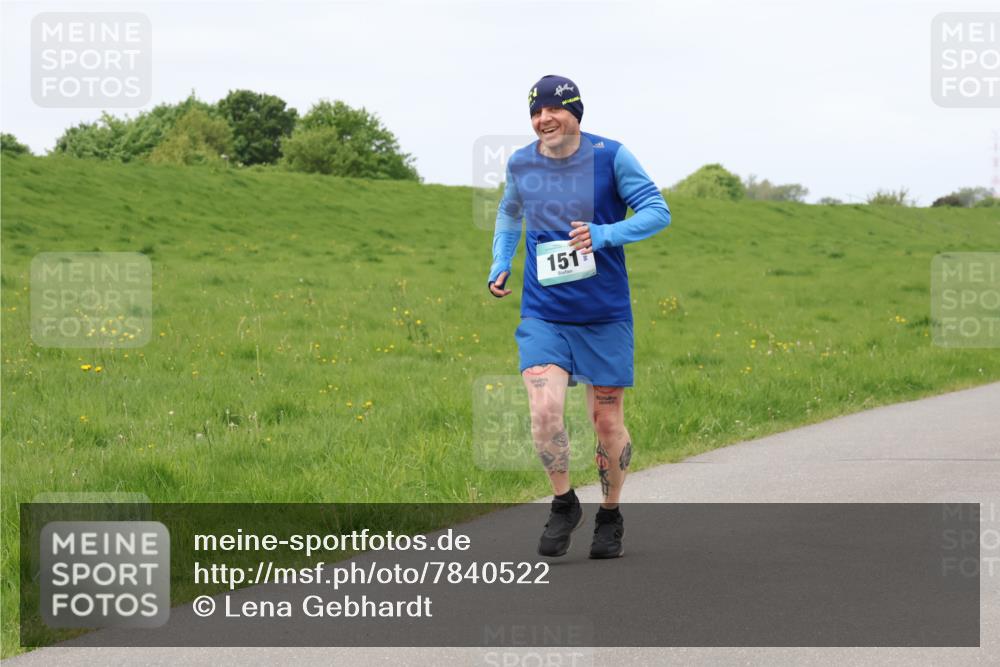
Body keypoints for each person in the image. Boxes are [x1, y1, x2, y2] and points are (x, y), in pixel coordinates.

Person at [487, 75, 671, 559]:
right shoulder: (522, 162)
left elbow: (657, 211)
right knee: (544, 410)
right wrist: (501, 260)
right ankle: (564, 502)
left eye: (553, 109)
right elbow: (508, 213)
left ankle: (610, 513)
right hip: (544, 314)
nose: (543, 118)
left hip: (604, 314)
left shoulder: (612, 157)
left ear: (575, 112)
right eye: (535, 112)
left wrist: (603, 234)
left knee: (605, 421)